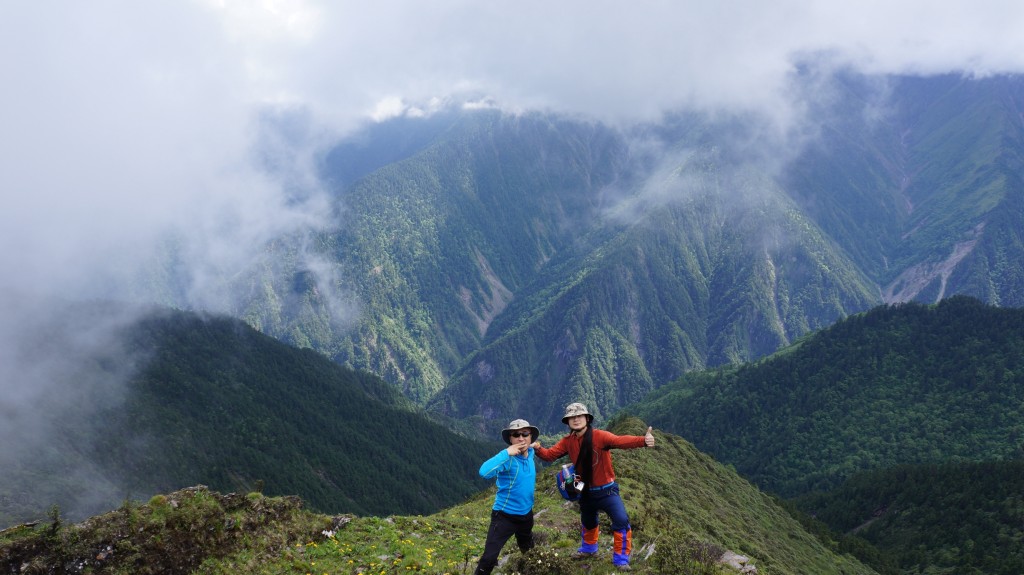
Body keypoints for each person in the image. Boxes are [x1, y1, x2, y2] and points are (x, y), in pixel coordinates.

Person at [534, 402, 655, 571]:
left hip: (607, 490)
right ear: (567, 422)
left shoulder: (600, 436)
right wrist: (538, 448)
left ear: (587, 418)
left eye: (579, 416)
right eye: (572, 418)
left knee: (621, 520)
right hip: (585, 491)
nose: (576, 420)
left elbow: (619, 441)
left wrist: (643, 440)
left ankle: (621, 560)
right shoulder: (567, 442)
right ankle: (589, 549)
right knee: (588, 521)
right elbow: (550, 455)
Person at [474, 418, 540, 575]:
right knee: (489, 558)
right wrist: (506, 453)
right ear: (510, 439)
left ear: (531, 436)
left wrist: (535, 446)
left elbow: (533, 447)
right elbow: (483, 472)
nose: (521, 438)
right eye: (516, 434)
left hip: (526, 515)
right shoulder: (507, 459)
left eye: (525, 433)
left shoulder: (530, 453)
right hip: (504, 517)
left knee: (528, 549)